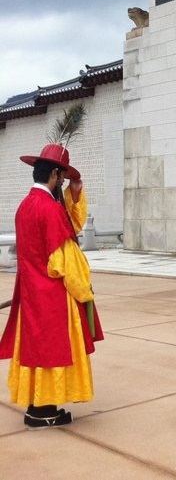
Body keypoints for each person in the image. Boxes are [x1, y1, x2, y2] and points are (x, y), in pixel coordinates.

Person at [0, 144, 103, 429]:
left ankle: (36, 406)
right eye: (63, 176)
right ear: (55, 174)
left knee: (36, 348)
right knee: (53, 350)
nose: (64, 181)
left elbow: (66, 227)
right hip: (53, 293)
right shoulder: (50, 209)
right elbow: (66, 258)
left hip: (31, 290)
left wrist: (75, 191)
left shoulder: (25, 206)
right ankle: (45, 410)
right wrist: (84, 290)